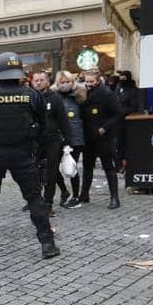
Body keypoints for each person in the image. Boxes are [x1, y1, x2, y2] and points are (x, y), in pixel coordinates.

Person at [0, 52, 60, 259]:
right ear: (18, 72)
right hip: (23, 155)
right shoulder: (32, 95)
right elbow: (43, 125)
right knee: (35, 198)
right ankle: (47, 244)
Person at [79, 68, 122, 209]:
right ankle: (84, 195)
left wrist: (104, 128)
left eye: (92, 81)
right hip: (88, 136)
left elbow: (118, 114)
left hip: (104, 137)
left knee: (108, 166)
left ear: (98, 80)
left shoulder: (107, 94)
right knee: (87, 167)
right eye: (87, 81)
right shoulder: (84, 92)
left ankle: (114, 198)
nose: (89, 84)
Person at [31, 71, 71, 215]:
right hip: (35, 141)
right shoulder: (29, 98)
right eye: (36, 80)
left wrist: (68, 141)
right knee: (33, 172)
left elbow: (63, 121)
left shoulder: (55, 99)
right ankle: (34, 200)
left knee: (51, 174)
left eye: (42, 80)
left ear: (48, 82)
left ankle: (48, 203)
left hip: (52, 140)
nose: (39, 82)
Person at [53, 71, 87, 209]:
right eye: (62, 82)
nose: (65, 84)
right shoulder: (53, 97)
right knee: (53, 167)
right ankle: (64, 191)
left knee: (72, 168)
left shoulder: (80, 97)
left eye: (67, 81)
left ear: (72, 82)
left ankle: (75, 196)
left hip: (75, 138)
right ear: (57, 83)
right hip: (57, 138)